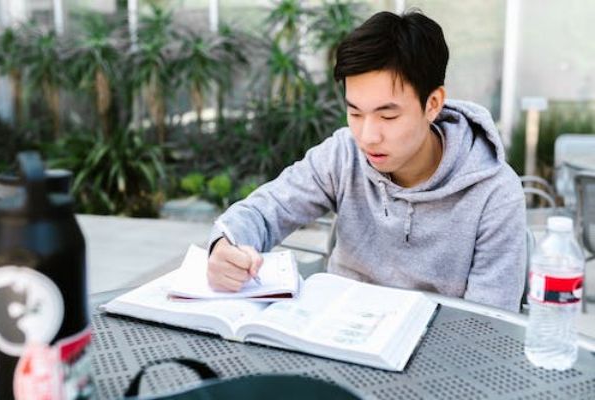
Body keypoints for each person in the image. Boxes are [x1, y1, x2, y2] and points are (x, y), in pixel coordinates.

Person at [206, 10, 526, 312]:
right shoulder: (343, 154)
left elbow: (489, 326)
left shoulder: (495, 194)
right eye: (355, 113)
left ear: (432, 104)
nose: (368, 137)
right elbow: (266, 209)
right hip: (336, 331)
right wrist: (226, 245)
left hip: (434, 347)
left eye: (388, 116)